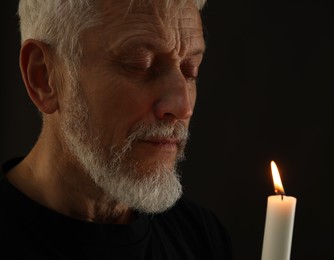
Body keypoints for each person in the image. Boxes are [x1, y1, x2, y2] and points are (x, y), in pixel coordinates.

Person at [0, 0, 234, 259]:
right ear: (44, 77)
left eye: (190, 71)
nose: (183, 107)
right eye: (140, 64)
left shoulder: (201, 237)